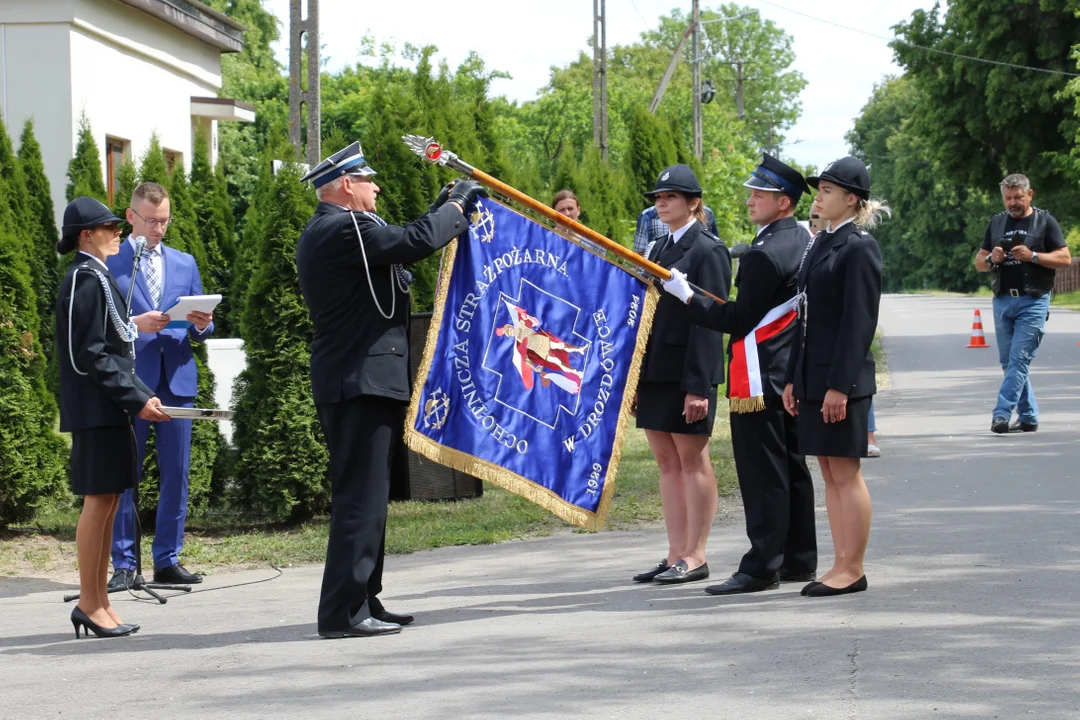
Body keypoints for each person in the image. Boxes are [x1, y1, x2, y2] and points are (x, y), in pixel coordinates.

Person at [296, 142, 487, 638]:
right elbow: (412, 243)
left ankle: (364, 597)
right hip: (356, 379)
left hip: (366, 378)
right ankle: (341, 611)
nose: (376, 186)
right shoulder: (340, 228)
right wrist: (456, 206)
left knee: (373, 496)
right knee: (360, 497)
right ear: (344, 186)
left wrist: (442, 209)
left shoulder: (352, 231)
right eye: (368, 180)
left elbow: (402, 243)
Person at [661, 154, 817, 595]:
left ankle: (762, 565)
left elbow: (738, 319)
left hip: (760, 373)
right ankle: (799, 558)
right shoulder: (802, 240)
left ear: (783, 203)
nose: (750, 201)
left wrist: (687, 295)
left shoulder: (764, 254)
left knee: (762, 472)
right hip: (788, 371)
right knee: (791, 466)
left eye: (759, 195)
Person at [56, 197, 172, 638]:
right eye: (108, 226)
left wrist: (140, 396)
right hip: (96, 409)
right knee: (98, 501)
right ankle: (88, 602)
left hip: (111, 406)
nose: (118, 231)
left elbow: (117, 346)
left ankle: (100, 601)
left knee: (111, 500)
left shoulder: (97, 276)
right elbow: (89, 355)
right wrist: (134, 398)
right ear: (86, 235)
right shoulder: (84, 278)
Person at [781, 157, 885, 598]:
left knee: (845, 472)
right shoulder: (821, 242)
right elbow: (803, 318)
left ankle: (853, 568)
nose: (818, 197)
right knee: (828, 471)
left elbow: (858, 324)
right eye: (818, 189)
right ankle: (839, 562)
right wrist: (792, 378)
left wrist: (840, 385)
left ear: (851, 199)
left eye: (827, 190)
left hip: (841, 382)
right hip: (812, 377)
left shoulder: (859, 247)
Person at [107, 183, 214, 590]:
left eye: (165, 220)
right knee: (125, 473)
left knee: (177, 472)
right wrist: (136, 324)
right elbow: (99, 323)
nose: (158, 228)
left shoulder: (184, 262)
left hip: (176, 379)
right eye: (151, 220)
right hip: (132, 380)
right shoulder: (112, 262)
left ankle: (167, 559)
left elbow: (202, 320)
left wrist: (204, 324)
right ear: (131, 216)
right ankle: (124, 563)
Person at [632, 165, 731, 585]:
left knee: (692, 461)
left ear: (694, 202)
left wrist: (699, 386)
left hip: (687, 371)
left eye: (671, 196)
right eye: (658, 196)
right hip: (656, 367)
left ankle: (696, 554)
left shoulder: (708, 250)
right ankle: (675, 553)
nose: (661, 202)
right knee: (667, 463)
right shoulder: (656, 247)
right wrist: (636, 375)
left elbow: (710, 320)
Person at [974, 174, 1071, 434]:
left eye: (1018, 197)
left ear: (1030, 195)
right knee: (1009, 363)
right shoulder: (996, 223)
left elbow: (1065, 258)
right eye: (1008, 198)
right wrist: (992, 258)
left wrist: (1034, 256)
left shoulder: (1045, 222)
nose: (1013, 202)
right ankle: (1028, 416)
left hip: (1034, 300)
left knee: (1019, 360)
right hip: (1003, 300)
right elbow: (979, 262)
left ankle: (1001, 414)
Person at [633, 201, 720, 255]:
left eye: (671, 196)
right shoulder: (648, 216)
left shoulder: (706, 213)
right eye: (658, 196)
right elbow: (641, 255)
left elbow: (713, 247)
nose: (663, 202)